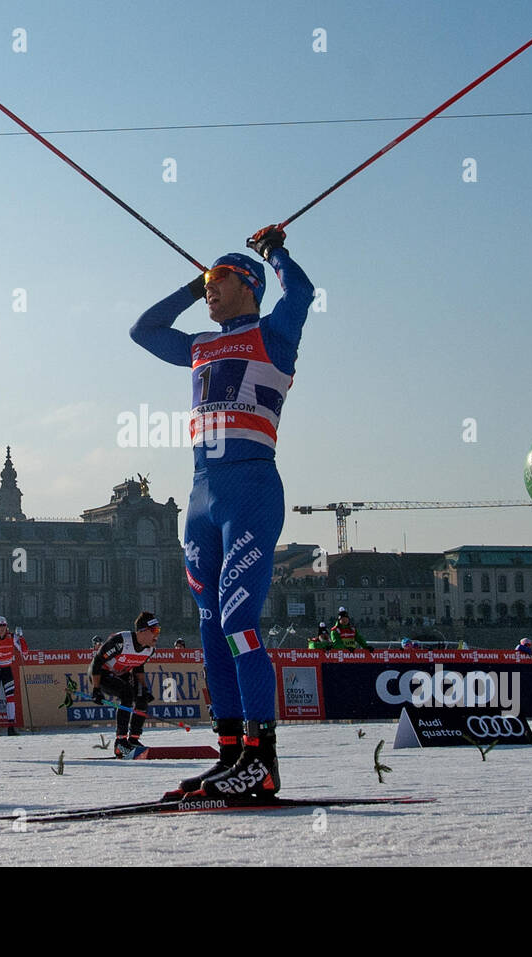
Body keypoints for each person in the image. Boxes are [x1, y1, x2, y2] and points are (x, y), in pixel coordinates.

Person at [131, 223, 313, 801]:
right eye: (206, 280)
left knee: (238, 623)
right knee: (210, 629)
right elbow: (143, 330)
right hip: (202, 497)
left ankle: (263, 759)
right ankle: (231, 752)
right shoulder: (197, 346)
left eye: (218, 279)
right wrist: (191, 285)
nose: (210, 288)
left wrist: (276, 251)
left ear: (248, 284)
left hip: (250, 491)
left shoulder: (272, 334)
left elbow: (302, 295)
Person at [89, 612, 160, 757]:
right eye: (154, 631)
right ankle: (120, 743)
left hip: (121, 673)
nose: (157, 635)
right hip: (101, 673)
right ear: (142, 631)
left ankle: (133, 739)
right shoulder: (121, 641)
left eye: (159, 630)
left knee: (142, 697)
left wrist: (144, 689)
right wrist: (96, 689)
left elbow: (138, 667)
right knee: (126, 694)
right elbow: (97, 661)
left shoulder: (149, 649)